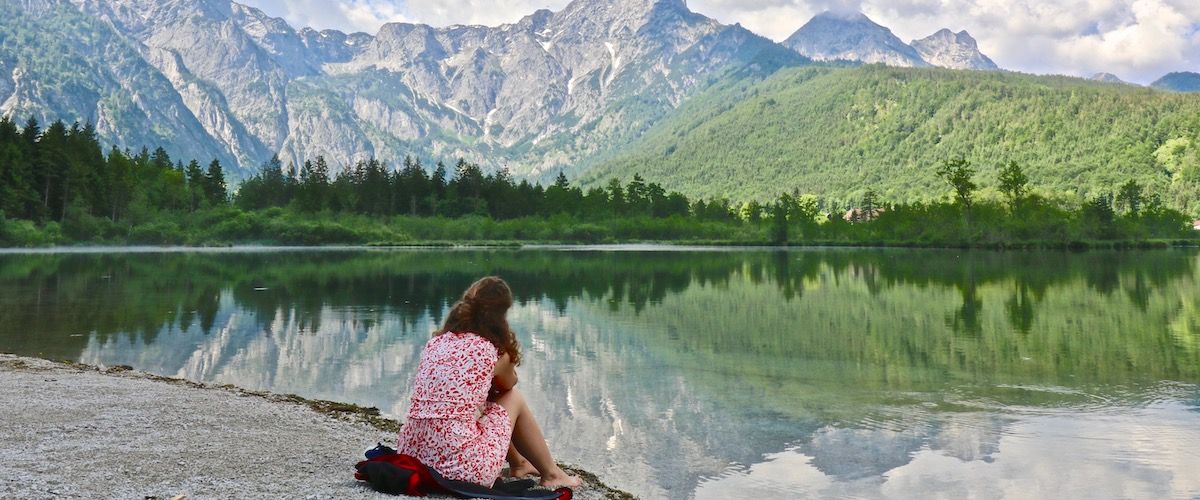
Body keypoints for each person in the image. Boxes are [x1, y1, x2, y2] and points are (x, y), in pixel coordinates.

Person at [397, 276, 582, 489]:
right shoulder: (491, 350)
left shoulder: (436, 343)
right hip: (459, 469)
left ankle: (519, 463)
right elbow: (509, 385)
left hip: (412, 457)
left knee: (483, 403)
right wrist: (503, 366)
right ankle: (551, 473)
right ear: (500, 315)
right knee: (512, 398)